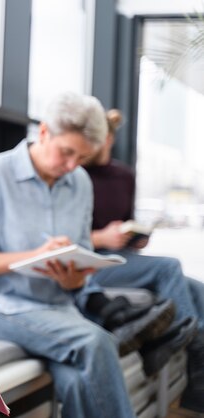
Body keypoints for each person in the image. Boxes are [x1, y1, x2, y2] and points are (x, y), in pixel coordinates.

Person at [0, 92, 170, 418]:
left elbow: (80, 257)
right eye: (66, 152)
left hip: (56, 309)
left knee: (82, 383)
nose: (71, 166)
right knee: (96, 343)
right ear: (43, 133)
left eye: (81, 158)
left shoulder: (79, 182)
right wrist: (32, 255)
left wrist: (74, 279)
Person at [84, 109, 204, 412]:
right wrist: (100, 238)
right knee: (169, 266)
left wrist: (136, 237)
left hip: (123, 256)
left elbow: (125, 222)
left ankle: (196, 375)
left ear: (109, 139)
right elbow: (64, 237)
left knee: (197, 289)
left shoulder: (124, 176)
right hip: (93, 259)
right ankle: (194, 348)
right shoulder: (75, 174)